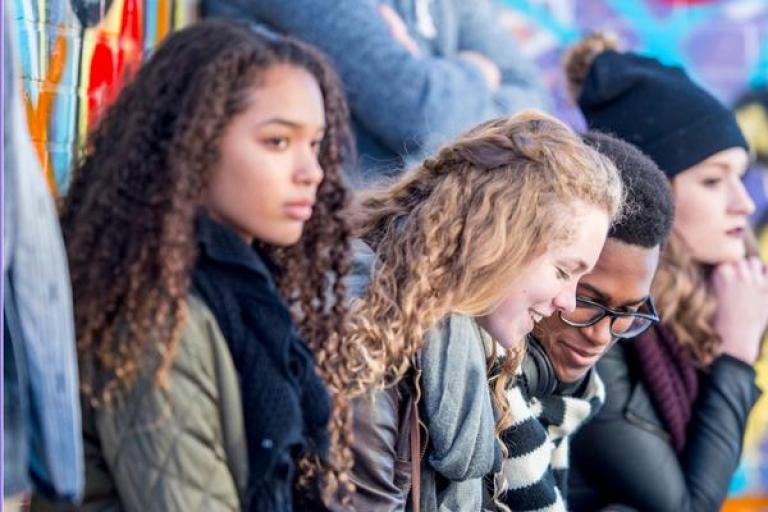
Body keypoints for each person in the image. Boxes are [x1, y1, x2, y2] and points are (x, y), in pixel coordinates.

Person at [36, 19, 355, 511]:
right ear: (193, 143)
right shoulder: (157, 316)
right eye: (277, 142)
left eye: (314, 144)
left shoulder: (245, 296)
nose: (310, 172)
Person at [340, 110, 623, 511]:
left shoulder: (476, 346)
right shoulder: (364, 342)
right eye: (562, 271)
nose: (569, 302)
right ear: (498, 242)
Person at [563, 33, 768, 512]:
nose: (743, 204)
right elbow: (683, 507)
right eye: (714, 181)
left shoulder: (691, 310)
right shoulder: (597, 319)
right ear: (656, 196)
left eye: (741, 177)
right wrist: (736, 354)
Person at [489, 131, 674, 511]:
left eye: (628, 312)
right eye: (588, 300)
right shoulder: (473, 387)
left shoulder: (568, 400)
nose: (601, 336)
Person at [202, 0, 550, 181]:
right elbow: (419, 111)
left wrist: (440, 79)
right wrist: (479, 70)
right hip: (326, 255)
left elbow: (539, 115)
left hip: (413, 257)